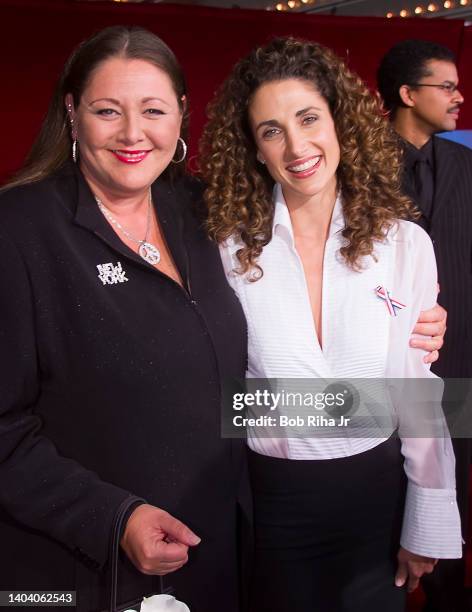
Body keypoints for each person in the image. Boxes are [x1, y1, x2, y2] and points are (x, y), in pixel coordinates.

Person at [199, 37, 461, 612]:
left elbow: (416, 394)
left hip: (377, 500)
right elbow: (216, 392)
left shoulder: (405, 243)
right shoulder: (223, 250)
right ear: (255, 149)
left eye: (309, 118)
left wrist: (428, 516)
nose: (296, 146)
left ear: (340, 121)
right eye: (271, 130)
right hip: (267, 507)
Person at [0, 26, 250, 612]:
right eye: (107, 111)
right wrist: (115, 518)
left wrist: (404, 316)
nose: (134, 133)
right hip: (78, 572)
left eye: (154, 110)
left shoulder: (203, 211)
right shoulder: (18, 230)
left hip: (209, 556)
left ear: (182, 115)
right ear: (72, 111)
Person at [377, 40, 472, 612]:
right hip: (390, 359)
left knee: (453, 479)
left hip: (460, 357)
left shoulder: (463, 162)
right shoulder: (359, 167)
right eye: (447, 87)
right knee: (392, 478)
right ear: (408, 95)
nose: (459, 98)